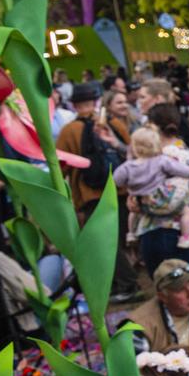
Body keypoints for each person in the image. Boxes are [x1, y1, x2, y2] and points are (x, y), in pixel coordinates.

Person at [55, 83, 140, 300]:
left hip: (90, 194)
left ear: (74, 105)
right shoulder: (112, 124)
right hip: (118, 188)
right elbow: (129, 149)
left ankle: (127, 284)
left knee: (105, 242)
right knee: (118, 238)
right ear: (95, 103)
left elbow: (61, 165)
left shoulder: (69, 131)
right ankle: (121, 281)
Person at [114, 126, 189, 251]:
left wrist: (130, 184)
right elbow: (184, 171)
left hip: (141, 203)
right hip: (160, 199)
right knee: (186, 211)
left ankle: (131, 233)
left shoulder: (128, 167)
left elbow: (117, 180)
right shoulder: (161, 161)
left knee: (133, 212)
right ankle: (185, 238)